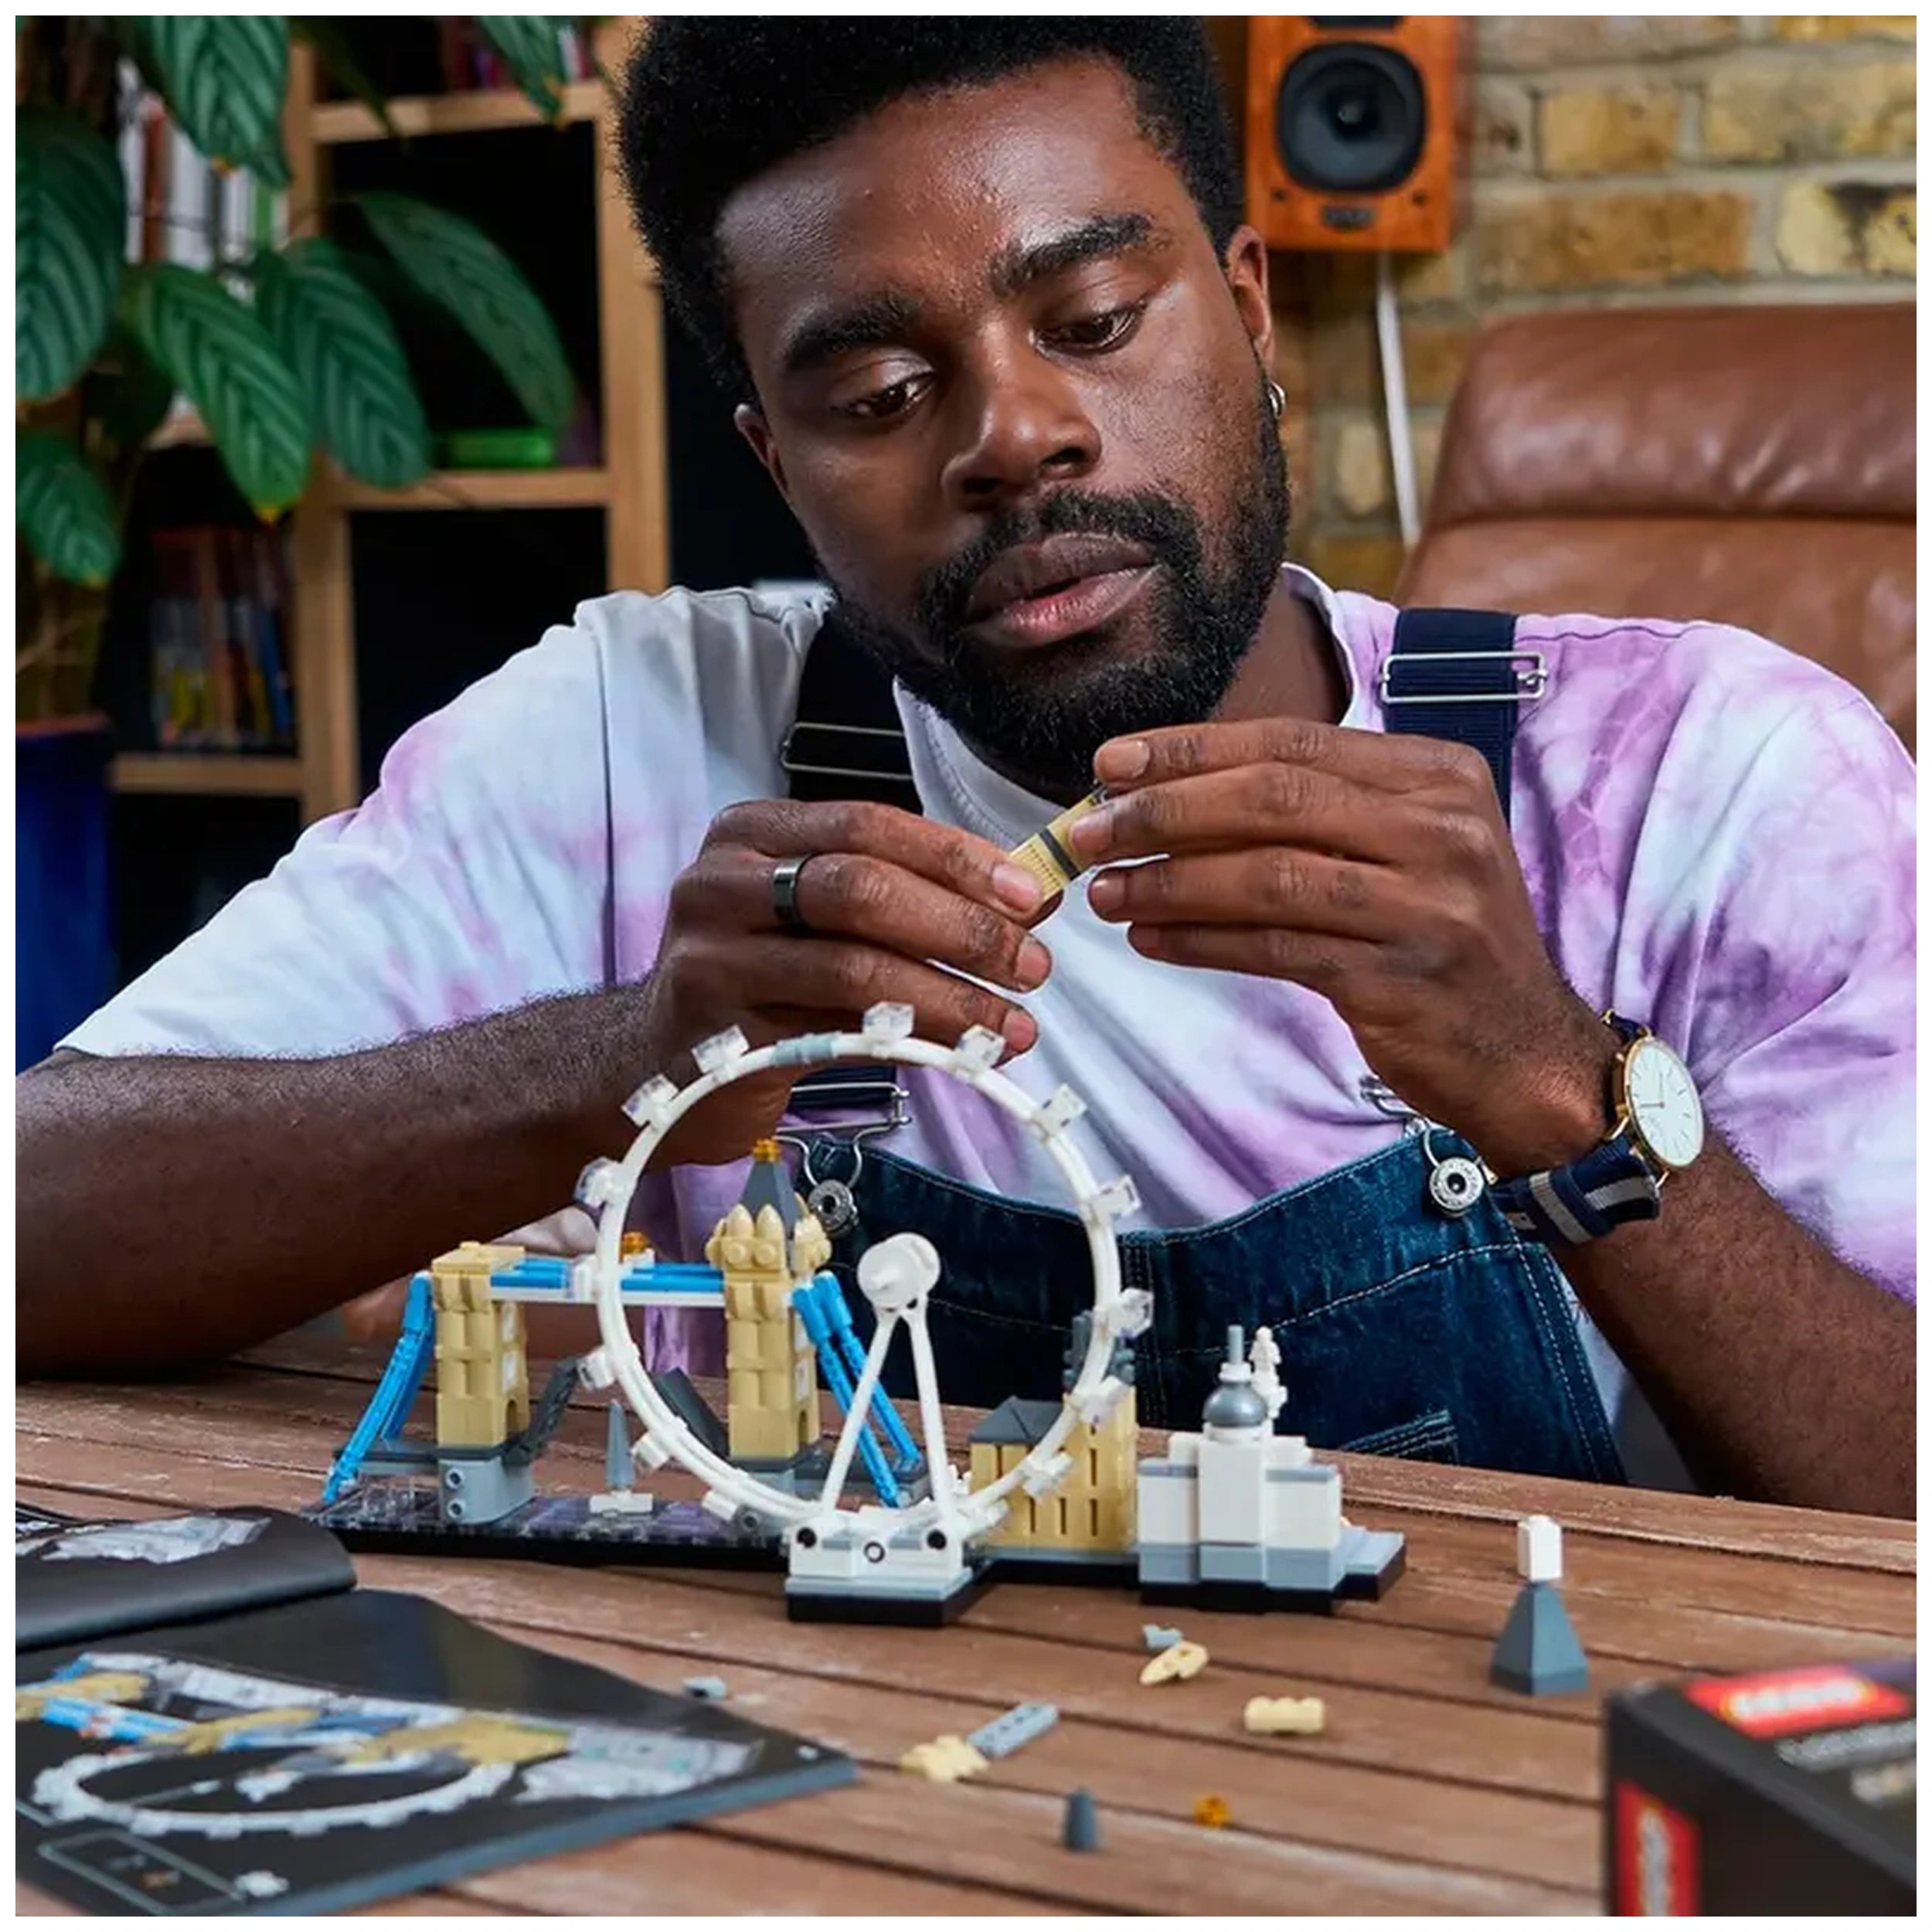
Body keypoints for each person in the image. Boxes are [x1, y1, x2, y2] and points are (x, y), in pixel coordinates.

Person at [18, 21, 1912, 1518]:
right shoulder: (631, 728)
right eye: (875, 394)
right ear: (773, 459)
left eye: (1091, 321)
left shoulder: (1704, 772)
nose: (1014, 434)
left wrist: (1558, 1089)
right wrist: (632, 1058)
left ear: (1248, 315)